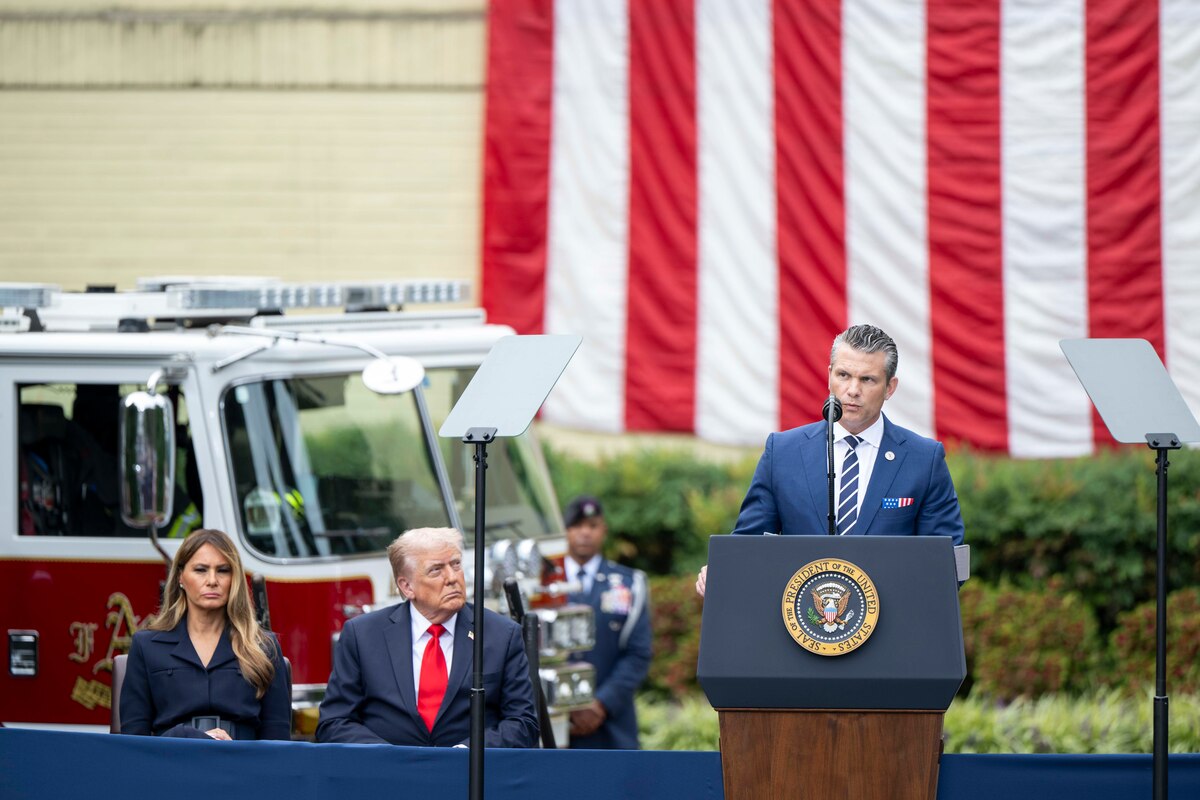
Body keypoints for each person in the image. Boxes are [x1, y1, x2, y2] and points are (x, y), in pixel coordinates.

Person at [696, 324, 965, 596]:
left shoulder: (924, 460)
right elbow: (749, 543)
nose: (852, 390)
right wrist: (724, 569)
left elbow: (947, 561)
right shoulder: (783, 452)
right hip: (799, 627)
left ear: (889, 388)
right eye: (844, 375)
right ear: (829, 376)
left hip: (892, 627)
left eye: (867, 379)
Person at [316, 527, 538, 747]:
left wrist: (466, 754)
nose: (452, 578)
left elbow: (523, 724)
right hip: (388, 776)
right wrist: (390, 757)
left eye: (456, 564)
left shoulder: (500, 634)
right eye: (436, 570)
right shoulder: (362, 635)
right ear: (406, 586)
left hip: (469, 777)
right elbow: (334, 722)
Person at [120, 528, 291, 739]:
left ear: (234, 579)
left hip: (241, 767)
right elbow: (133, 741)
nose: (212, 580)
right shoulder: (146, 646)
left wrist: (238, 754)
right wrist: (187, 738)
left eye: (223, 570)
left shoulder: (264, 647)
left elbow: (278, 743)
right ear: (180, 577)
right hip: (170, 764)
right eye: (201, 570)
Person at [562, 496, 652, 749]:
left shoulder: (629, 583)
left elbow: (638, 653)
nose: (585, 533)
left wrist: (601, 703)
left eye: (592, 526)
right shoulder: (541, 583)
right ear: (566, 530)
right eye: (577, 525)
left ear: (604, 530)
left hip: (611, 727)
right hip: (551, 725)